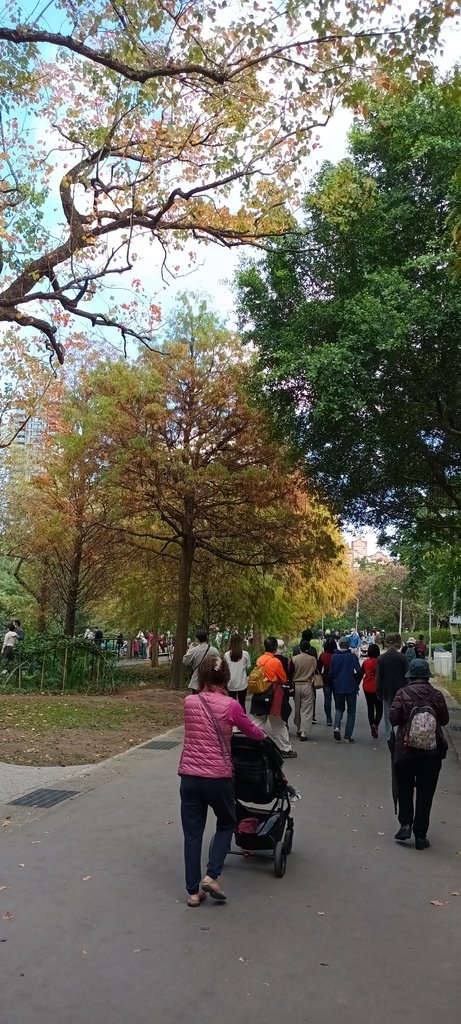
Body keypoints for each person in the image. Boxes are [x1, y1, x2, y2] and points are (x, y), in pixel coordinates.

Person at [178, 654, 266, 905]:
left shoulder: (189, 702)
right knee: (227, 822)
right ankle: (212, 874)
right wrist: (263, 738)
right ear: (226, 677)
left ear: (203, 676)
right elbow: (252, 731)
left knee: (192, 834)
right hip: (218, 777)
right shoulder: (231, 706)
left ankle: (193, 892)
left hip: (190, 777)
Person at [389, 659, 449, 850]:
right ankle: (421, 836)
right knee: (426, 794)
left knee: (405, 787)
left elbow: (393, 718)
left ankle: (405, 824)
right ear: (426, 676)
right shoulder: (437, 695)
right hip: (431, 753)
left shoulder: (402, 693)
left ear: (410, 676)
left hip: (405, 751)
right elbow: (445, 720)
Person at [250, 636, 297, 758]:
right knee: (278, 723)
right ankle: (285, 749)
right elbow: (283, 679)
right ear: (275, 648)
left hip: (259, 693)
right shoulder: (275, 662)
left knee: (258, 721)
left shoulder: (260, 659)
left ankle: (251, 744)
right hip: (273, 694)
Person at [330, 637, 363, 742]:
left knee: (339, 709)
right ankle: (347, 737)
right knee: (351, 712)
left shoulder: (334, 657)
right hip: (351, 687)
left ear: (339, 644)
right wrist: (355, 681)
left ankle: (336, 727)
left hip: (338, 686)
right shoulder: (352, 657)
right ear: (348, 645)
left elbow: (331, 673)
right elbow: (359, 671)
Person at [376, 634, 408, 739]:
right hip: (401, 690)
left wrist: (379, 691)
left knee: (388, 713)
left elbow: (379, 677)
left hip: (386, 690)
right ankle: (401, 734)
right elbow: (407, 675)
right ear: (397, 644)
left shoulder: (381, 658)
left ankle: (389, 735)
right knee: (402, 712)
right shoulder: (403, 658)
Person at [289, 640, 317, 740]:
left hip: (296, 686)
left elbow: (290, 673)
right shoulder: (313, 659)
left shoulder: (294, 659)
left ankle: (298, 728)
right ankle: (303, 732)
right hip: (307, 685)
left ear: (299, 648)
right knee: (306, 709)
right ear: (309, 649)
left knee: (298, 708)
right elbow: (314, 671)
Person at [361, 642, 382, 739]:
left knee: (370, 707)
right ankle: (376, 724)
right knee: (379, 708)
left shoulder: (366, 662)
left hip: (367, 686)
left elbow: (361, 674)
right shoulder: (380, 662)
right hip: (378, 687)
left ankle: (371, 724)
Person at [224, 634, 250, 709]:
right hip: (242, 683)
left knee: (232, 705)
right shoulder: (245, 654)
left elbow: (225, 668)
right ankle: (242, 720)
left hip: (230, 683)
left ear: (231, 642)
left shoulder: (226, 654)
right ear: (240, 642)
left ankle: (233, 720)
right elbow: (248, 666)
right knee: (242, 704)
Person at [318, 637, 337, 725]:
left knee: (327, 699)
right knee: (337, 699)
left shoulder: (322, 656)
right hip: (336, 678)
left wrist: (321, 675)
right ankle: (338, 716)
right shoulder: (336, 656)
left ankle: (328, 719)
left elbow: (318, 668)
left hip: (325, 677)